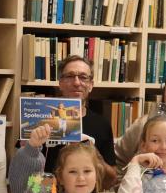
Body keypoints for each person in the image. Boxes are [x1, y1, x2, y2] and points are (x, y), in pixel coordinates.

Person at [38, 54, 119, 184]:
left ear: (91, 85)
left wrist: (94, 154)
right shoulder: (40, 118)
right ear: (60, 83)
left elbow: (110, 180)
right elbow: (21, 169)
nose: (76, 83)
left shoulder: (101, 124)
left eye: (83, 77)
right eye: (70, 76)